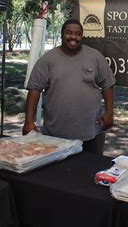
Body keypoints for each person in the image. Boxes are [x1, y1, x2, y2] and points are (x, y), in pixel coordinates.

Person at [23, 19, 116, 155]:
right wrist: (29, 121)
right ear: (61, 34)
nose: (73, 37)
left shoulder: (95, 57)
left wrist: (109, 113)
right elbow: (34, 90)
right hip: (55, 135)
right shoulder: (47, 60)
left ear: (82, 36)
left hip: (91, 134)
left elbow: (108, 85)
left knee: (90, 173)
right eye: (69, 33)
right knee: (56, 174)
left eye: (78, 34)